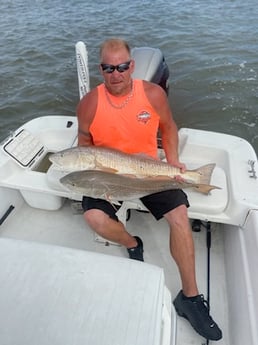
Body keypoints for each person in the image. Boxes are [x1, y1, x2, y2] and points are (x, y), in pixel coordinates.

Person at [76, 38, 222, 341]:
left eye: (122, 67)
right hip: (110, 173)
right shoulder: (89, 103)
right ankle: (132, 242)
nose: (116, 74)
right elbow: (84, 140)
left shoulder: (153, 94)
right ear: (100, 69)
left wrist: (174, 163)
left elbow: (168, 127)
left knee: (180, 218)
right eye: (108, 68)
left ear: (133, 66)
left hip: (148, 171)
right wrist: (96, 174)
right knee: (94, 218)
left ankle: (190, 298)